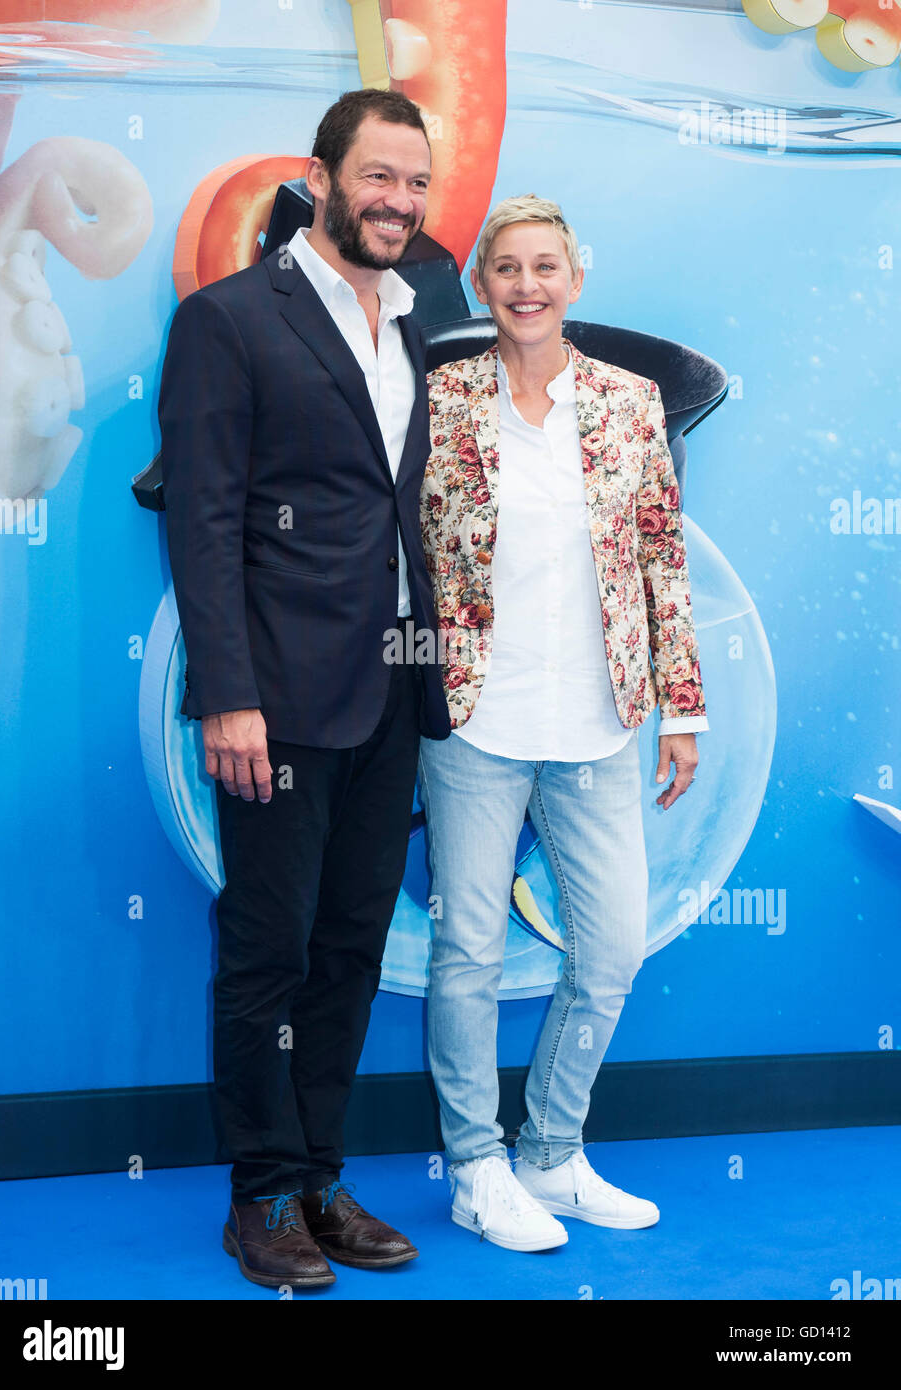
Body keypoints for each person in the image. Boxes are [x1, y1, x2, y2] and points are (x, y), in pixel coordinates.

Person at [157, 88, 450, 1289]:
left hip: (391, 687)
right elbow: (205, 513)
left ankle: (323, 1178)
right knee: (269, 949)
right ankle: (261, 1194)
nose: (400, 202)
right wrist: (228, 694)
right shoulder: (231, 318)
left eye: (417, 184)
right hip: (274, 698)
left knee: (352, 944)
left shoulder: (415, 323)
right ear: (322, 175)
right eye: (379, 177)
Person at [418, 194, 708, 1251]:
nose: (527, 286)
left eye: (547, 267)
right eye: (507, 268)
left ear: (574, 281)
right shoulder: (441, 398)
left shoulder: (630, 402)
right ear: (482, 284)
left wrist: (681, 706)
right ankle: (475, 1167)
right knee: (468, 953)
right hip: (474, 720)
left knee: (613, 949)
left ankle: (549, 1153)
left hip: (599, 721)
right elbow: (407, 554)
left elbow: (659, 559)